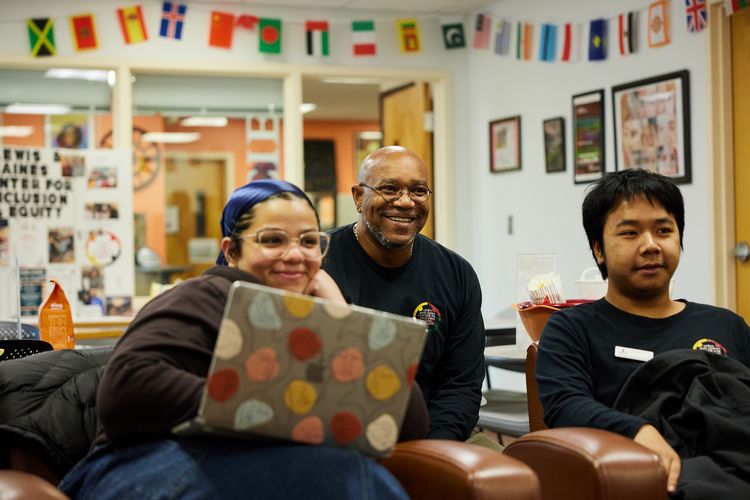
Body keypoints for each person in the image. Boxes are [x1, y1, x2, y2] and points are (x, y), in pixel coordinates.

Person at [60, 179, 427, 499]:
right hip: (145, 464)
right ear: (231, 251)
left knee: (344, 469)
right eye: (272, 240)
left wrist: (342, 314)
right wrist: (277, 411)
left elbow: (406, 421)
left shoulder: (318, 314)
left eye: (309, 241)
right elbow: (126, 386)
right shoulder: (201, 296)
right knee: (344, 474)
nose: (295, 255)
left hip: (258, 465)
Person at [536, 169, 750, 497]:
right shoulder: (572, 328)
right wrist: (638, 430)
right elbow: (565, 405)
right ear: (599, 250)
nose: (650, 245)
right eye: (630, 233)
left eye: (664, 230)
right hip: (649, 478)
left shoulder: (726, 324)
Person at [323, 146, 486, 444]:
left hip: (428, 438)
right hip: (336, 439)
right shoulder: (316, 265)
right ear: (359, 197)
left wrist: (434, 451)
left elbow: (460, 386)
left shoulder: (456, 274)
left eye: (419, 190)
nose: (405, 201)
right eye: (389, 188)